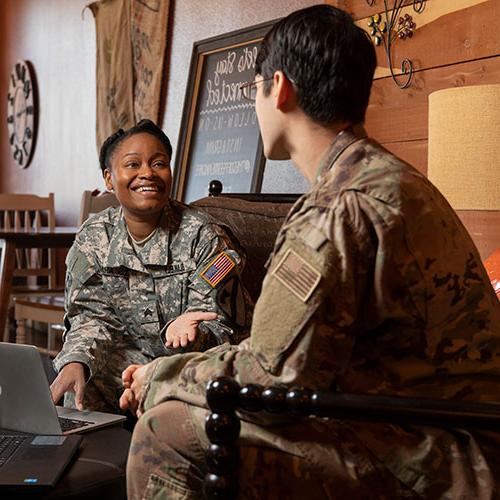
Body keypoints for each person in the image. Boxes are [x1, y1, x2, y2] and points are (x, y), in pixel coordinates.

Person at [121, 6, 500, 499]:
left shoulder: (338, 208)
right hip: (450, 432)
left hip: (439, 453)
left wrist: (159, 376)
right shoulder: (396, 179)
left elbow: (270, 377)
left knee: (165, 431)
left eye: (253, 87)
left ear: (279, 87)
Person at [51, 119, 252, 413]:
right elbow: (92, 318)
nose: (147, 173)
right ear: (109, 179)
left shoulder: (204, 236)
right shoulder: (94, 237)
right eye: (132, 165)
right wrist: (76, 359)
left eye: (159, 163)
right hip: (127, 367)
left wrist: (192, 332)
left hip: (187, 371)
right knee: (82, 376)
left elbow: (226, 329)